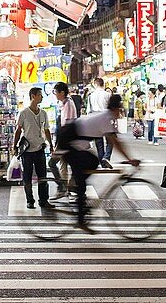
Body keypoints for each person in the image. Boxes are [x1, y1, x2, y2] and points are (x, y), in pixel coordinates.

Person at [62, 94, 139, 233]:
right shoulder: (106, 119)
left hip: (75, 141)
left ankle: (75, 183)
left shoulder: (107, 117)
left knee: (93, 161)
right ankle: (80, 218)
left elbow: (115, 141)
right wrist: (130, 159)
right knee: (82, 183)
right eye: (120, 110)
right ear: (115, 109)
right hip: (67, 141)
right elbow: (115, 142)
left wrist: (129, 158)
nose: (120, 114)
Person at [14, 87, 53, 209]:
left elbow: (46, 130)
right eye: (40, 95)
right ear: (33, 96)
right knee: (27, 176)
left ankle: (43, 200)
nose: (41, 97)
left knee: (43, 176)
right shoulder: (24, 113)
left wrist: (51, 145)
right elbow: (18, 130)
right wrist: (15, 146)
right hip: (27, 150)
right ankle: (30, 200)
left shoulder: (43, 113)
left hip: (40, 148)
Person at [49, 82, 76, 198]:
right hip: (65, 140)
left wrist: (59, 143)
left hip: (66, 141)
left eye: (56, 92)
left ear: (62, 92)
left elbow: (68, 124)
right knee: (63, 164)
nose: (55, 95)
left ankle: (62, 187)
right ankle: (65, 188)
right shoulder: (64, 104)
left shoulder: (69, 104)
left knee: (52, 163)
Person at [86, 78, 113, 167]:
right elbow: (111, 108)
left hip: (95, 119)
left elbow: (89, 110)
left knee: (99, 142)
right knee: (110, 140)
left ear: (95, 84)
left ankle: (102, 162)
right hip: (106, 118)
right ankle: (106, 157)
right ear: (103, 84)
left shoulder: (91, 96)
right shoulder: (108, 95)